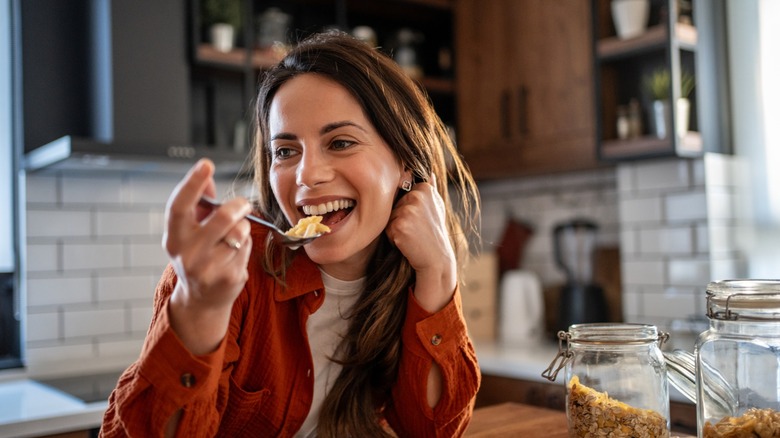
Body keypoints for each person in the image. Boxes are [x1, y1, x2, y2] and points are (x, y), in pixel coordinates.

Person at [100, 31, 481, 437]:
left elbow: (433, 432)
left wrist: (439, 271)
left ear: (405, 162)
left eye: (341, 142)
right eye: (285, 151)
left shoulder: (410, 274)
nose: (307, 175)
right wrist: (199, 307)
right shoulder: (226, 269)